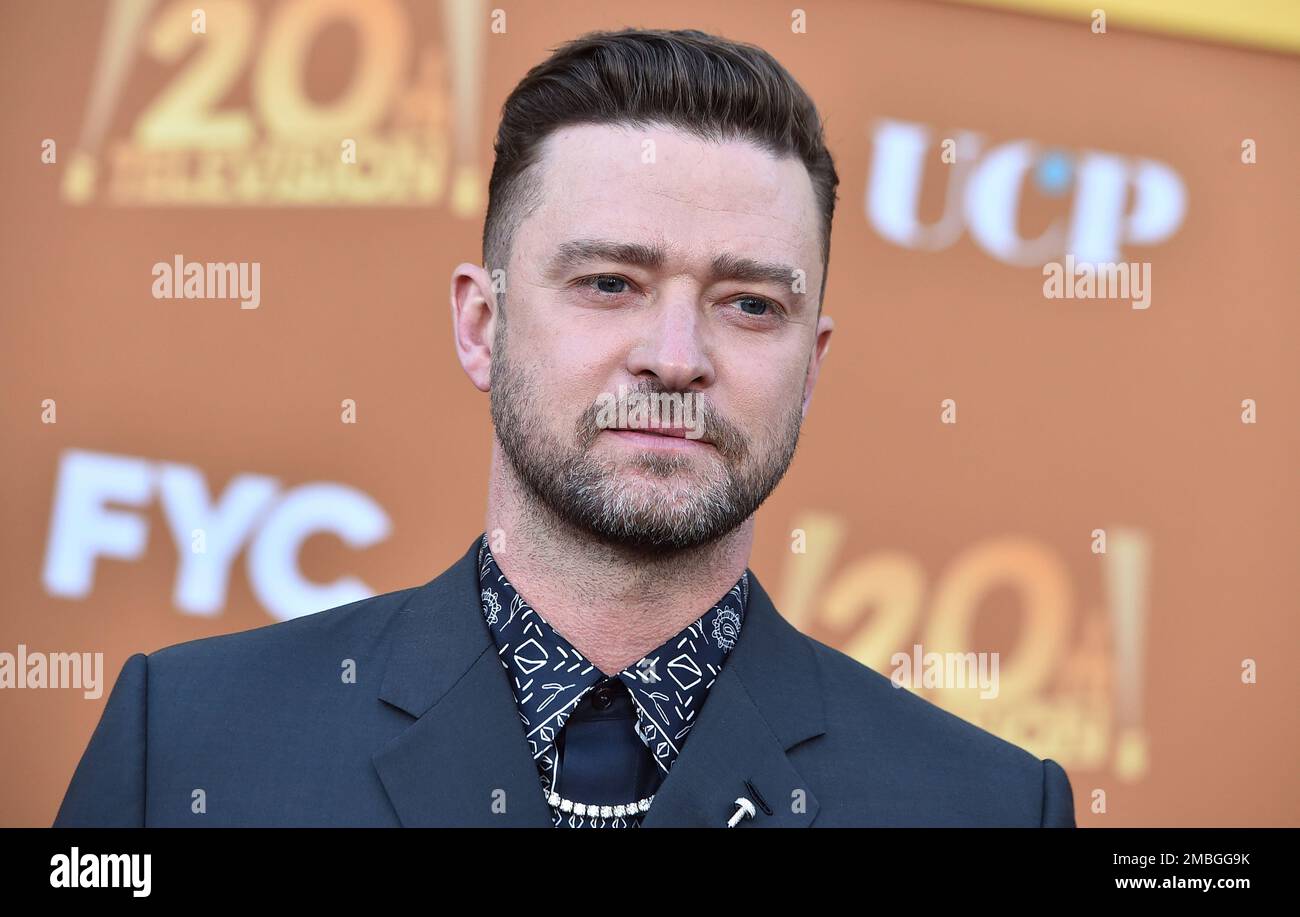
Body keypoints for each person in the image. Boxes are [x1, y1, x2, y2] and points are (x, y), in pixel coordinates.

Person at [53, 27, 1075, 828]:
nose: (675, 355)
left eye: (750, 303)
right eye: (609, 282)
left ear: (811, 365)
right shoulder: (189, 742)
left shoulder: (980, 802)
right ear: (481, 322)